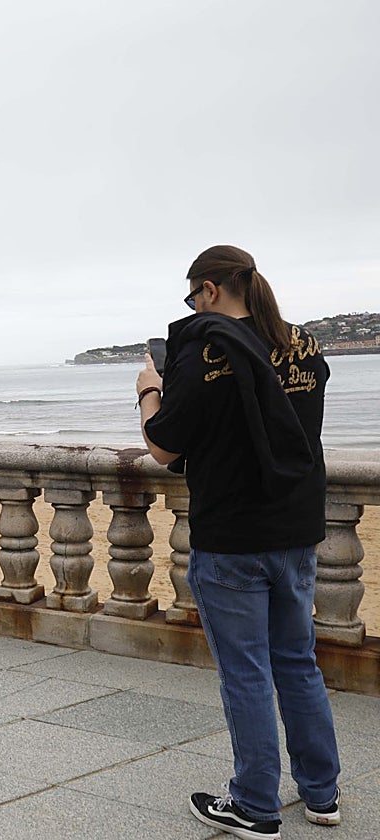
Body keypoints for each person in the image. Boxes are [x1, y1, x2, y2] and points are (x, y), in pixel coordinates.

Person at [137, 245, 340, 840]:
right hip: (295, 528)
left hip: (232, 537)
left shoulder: (206, 352)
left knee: (247, 672)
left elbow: (164, 447)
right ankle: (322, 793)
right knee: (298, 662)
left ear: (208, 290)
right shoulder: (303, 344)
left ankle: (254, 804)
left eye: (191, 296)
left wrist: (150, 389)